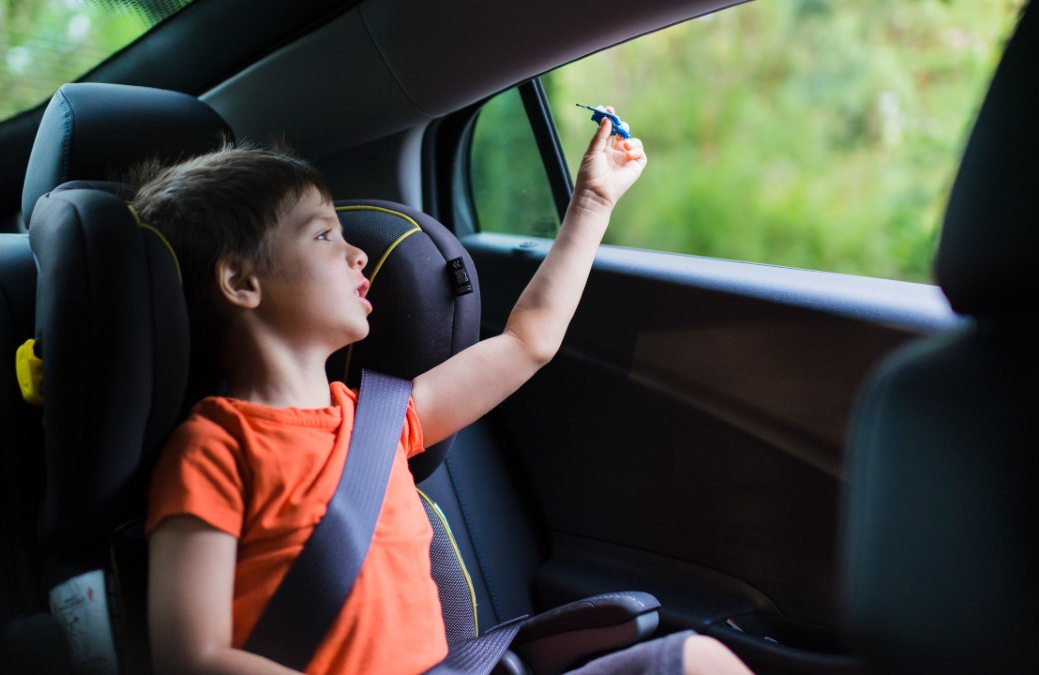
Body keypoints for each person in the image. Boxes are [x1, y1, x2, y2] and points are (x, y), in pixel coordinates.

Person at [136, 113, 752, 675]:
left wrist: (591, 201)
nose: (359, 253)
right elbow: (192, 657)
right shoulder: (213, 450)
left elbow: (527, 342)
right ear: (242, 281)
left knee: (702, 661)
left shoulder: (381, 419)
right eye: (323, 236)